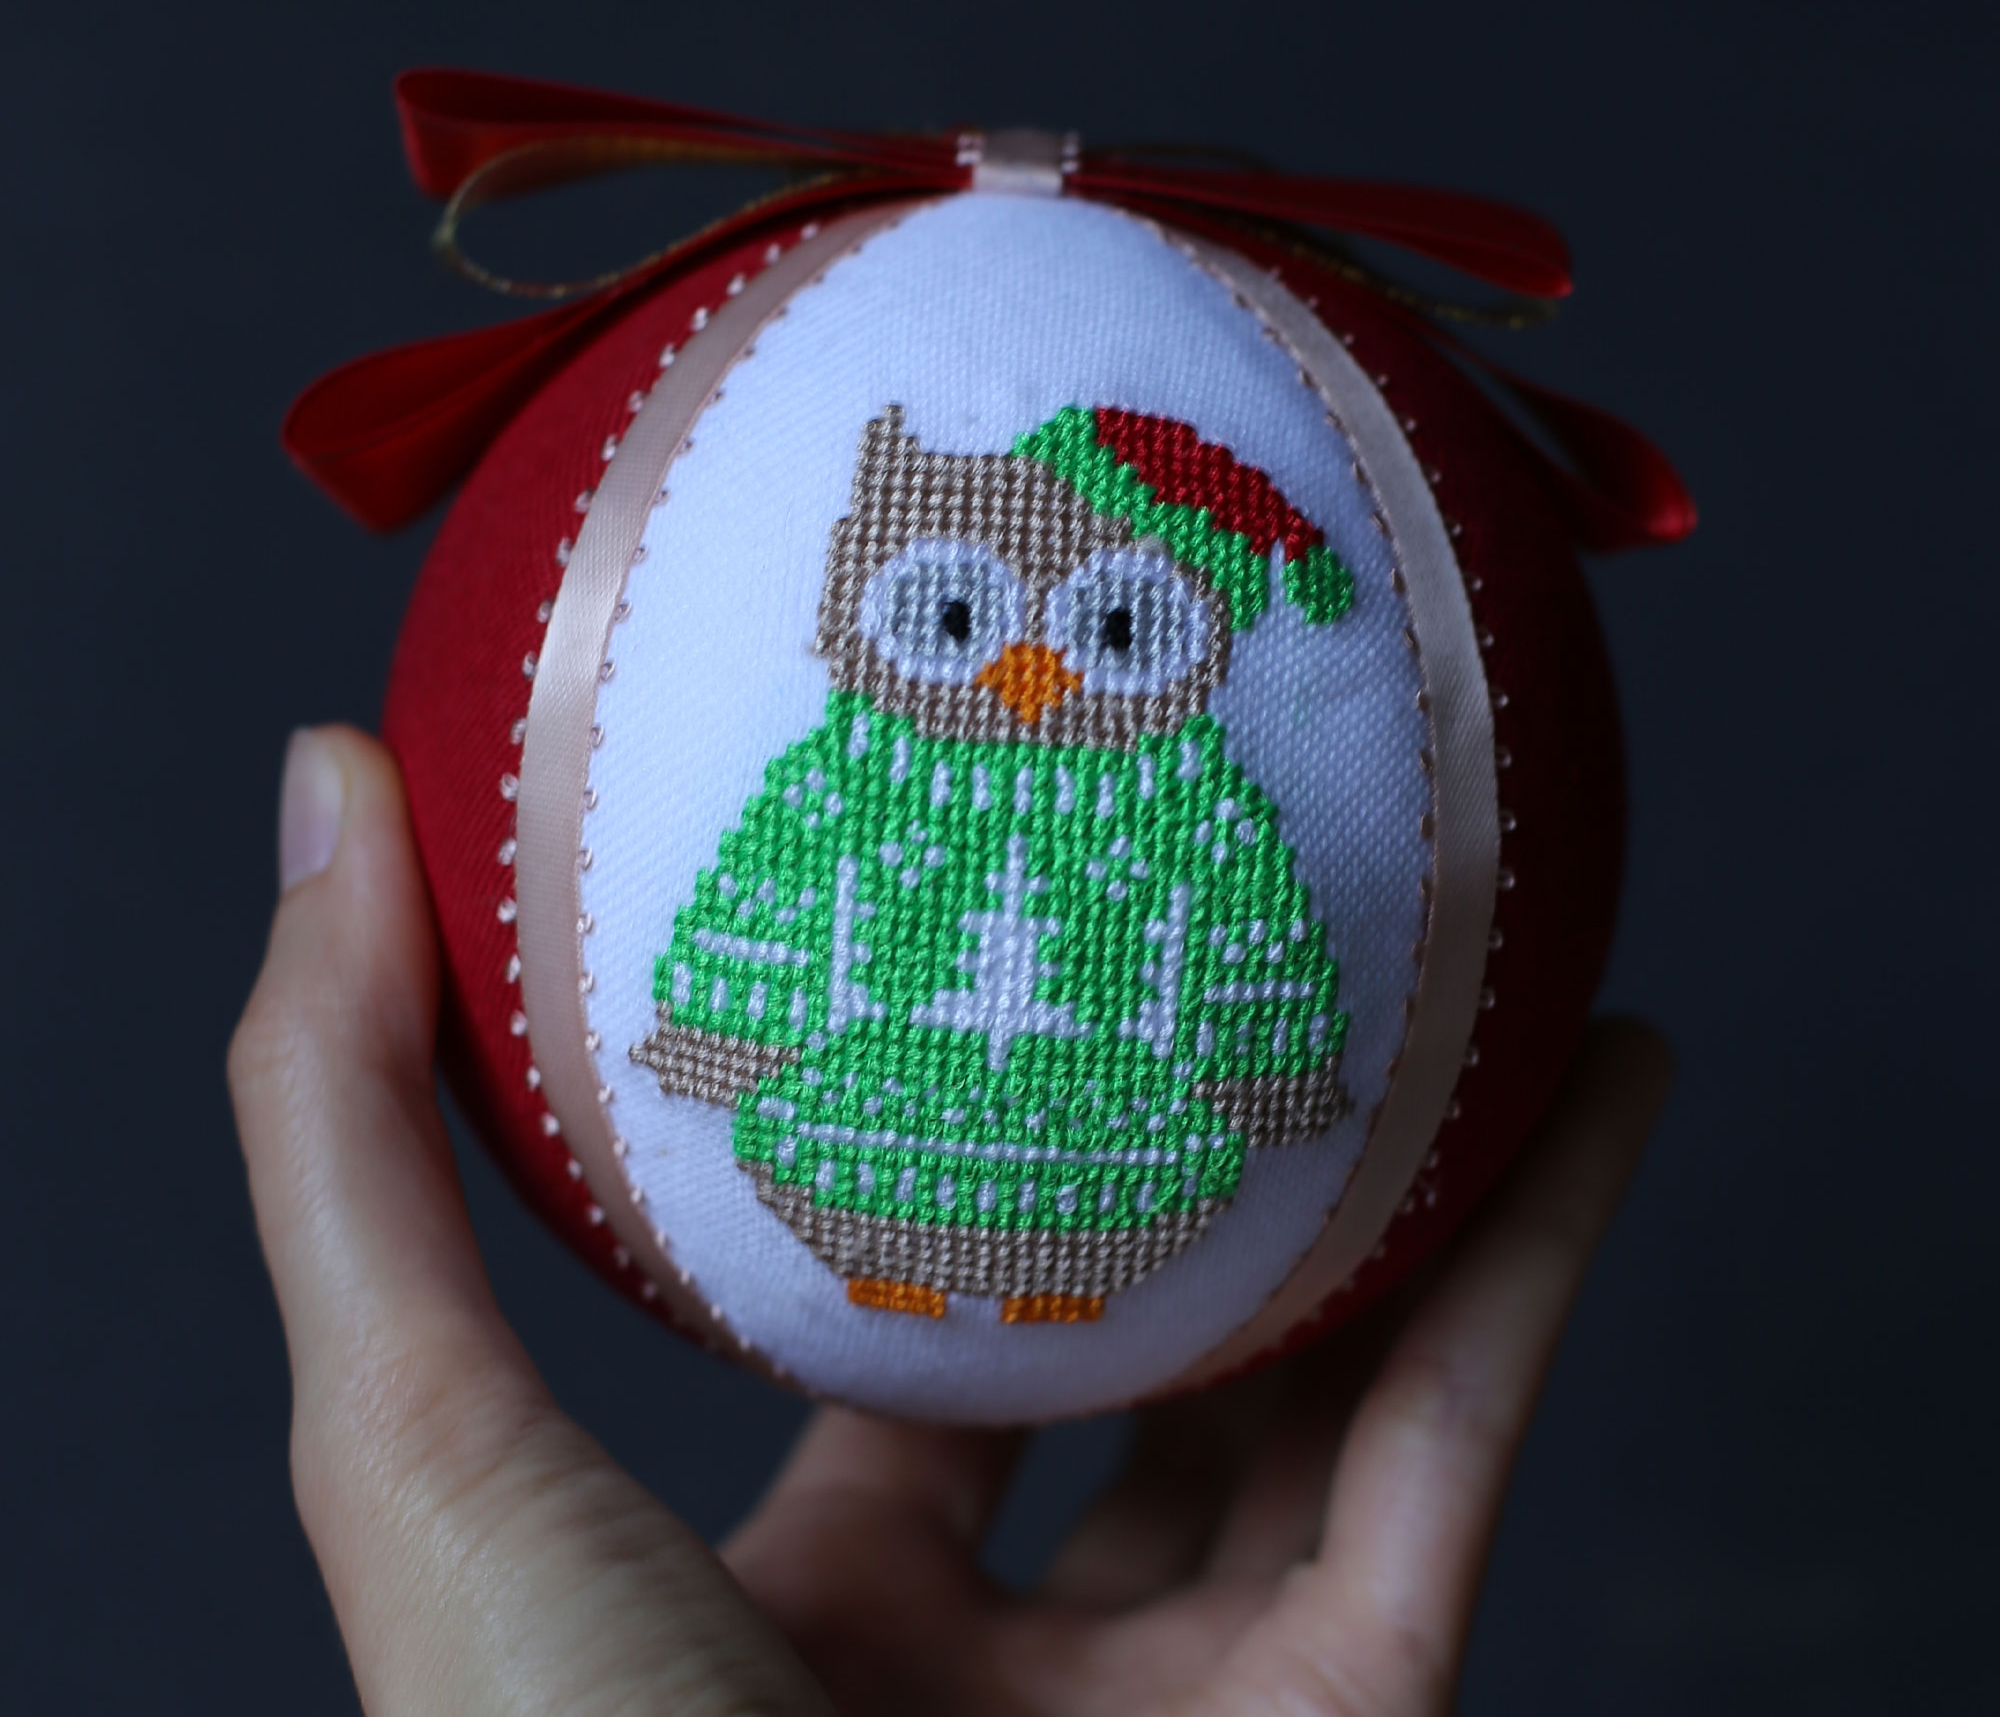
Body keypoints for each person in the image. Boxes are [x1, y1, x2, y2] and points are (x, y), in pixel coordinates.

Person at [229, 726, 1671, 1716]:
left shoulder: (1194, 808)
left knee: (1145, 1156)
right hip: (880, 1105)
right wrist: (729, 1034)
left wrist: (1261, 1070)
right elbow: (760, 911)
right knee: (841, 1138)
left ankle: (1055, 1272)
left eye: (1113, 634)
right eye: (967, 624)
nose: (1030, 674)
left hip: (1128, 1125)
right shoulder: (838, 782)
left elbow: (1255, 955)